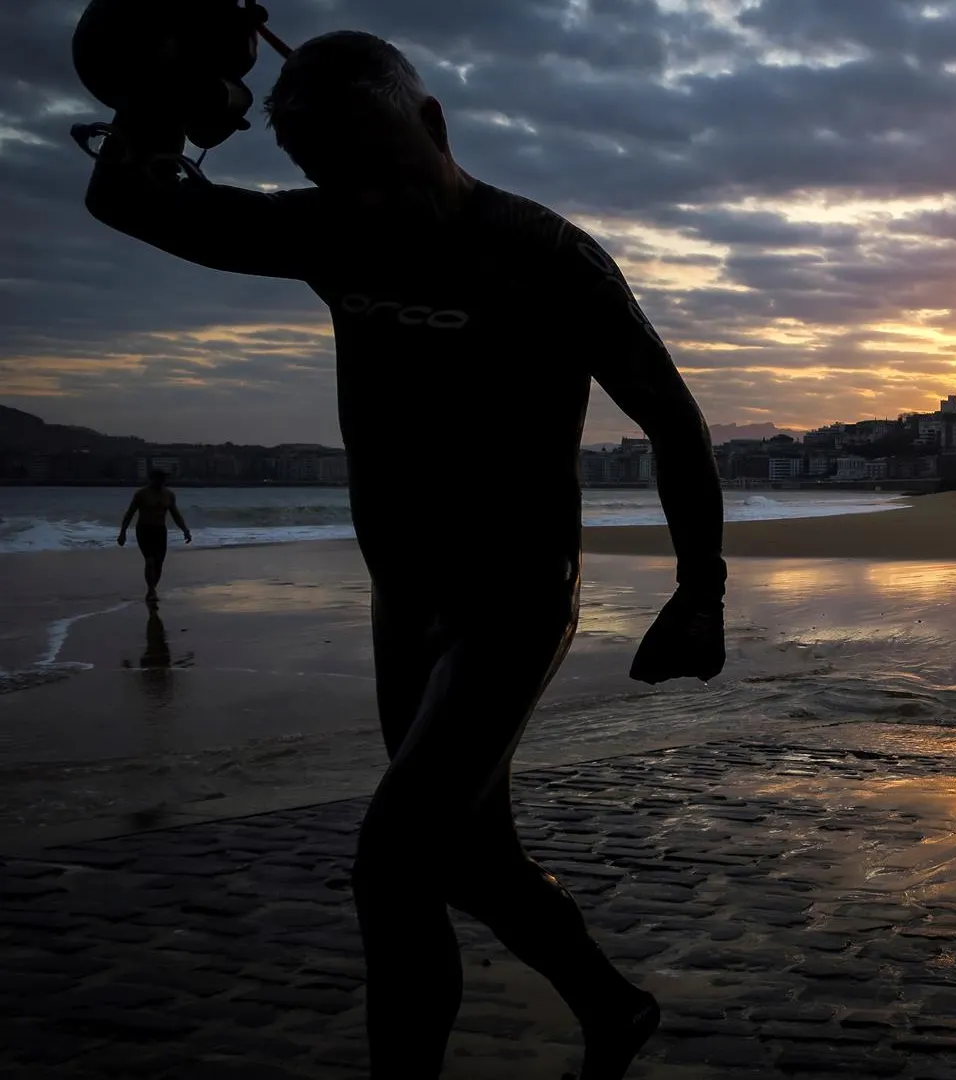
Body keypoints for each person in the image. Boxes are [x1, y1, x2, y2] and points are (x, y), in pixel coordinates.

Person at [83, 29, 727, 1080]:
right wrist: (160, 99)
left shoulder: (544, 255)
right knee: (467, 857)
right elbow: (132, 201)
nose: (372, 200)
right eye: (339, 180)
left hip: (516, 600)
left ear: (432, 124)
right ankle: (613, 1007)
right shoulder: (329, 230)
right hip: (406, 600)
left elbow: (674, 421)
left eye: (384, 167)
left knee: (393, 863)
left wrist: (701, 590)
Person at [117, 468, 191, 603]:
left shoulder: (169, 495)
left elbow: (175, 514)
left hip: (160, 531)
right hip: (144, 530)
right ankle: (151, 590)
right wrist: (123, 532)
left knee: (159, 563)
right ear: (152, 478)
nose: (163, 480)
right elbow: (130, 513)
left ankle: (152, 589)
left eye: (164, 478)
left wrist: (185, 530)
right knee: (150, 561)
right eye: (160, 478)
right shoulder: (141, 494)